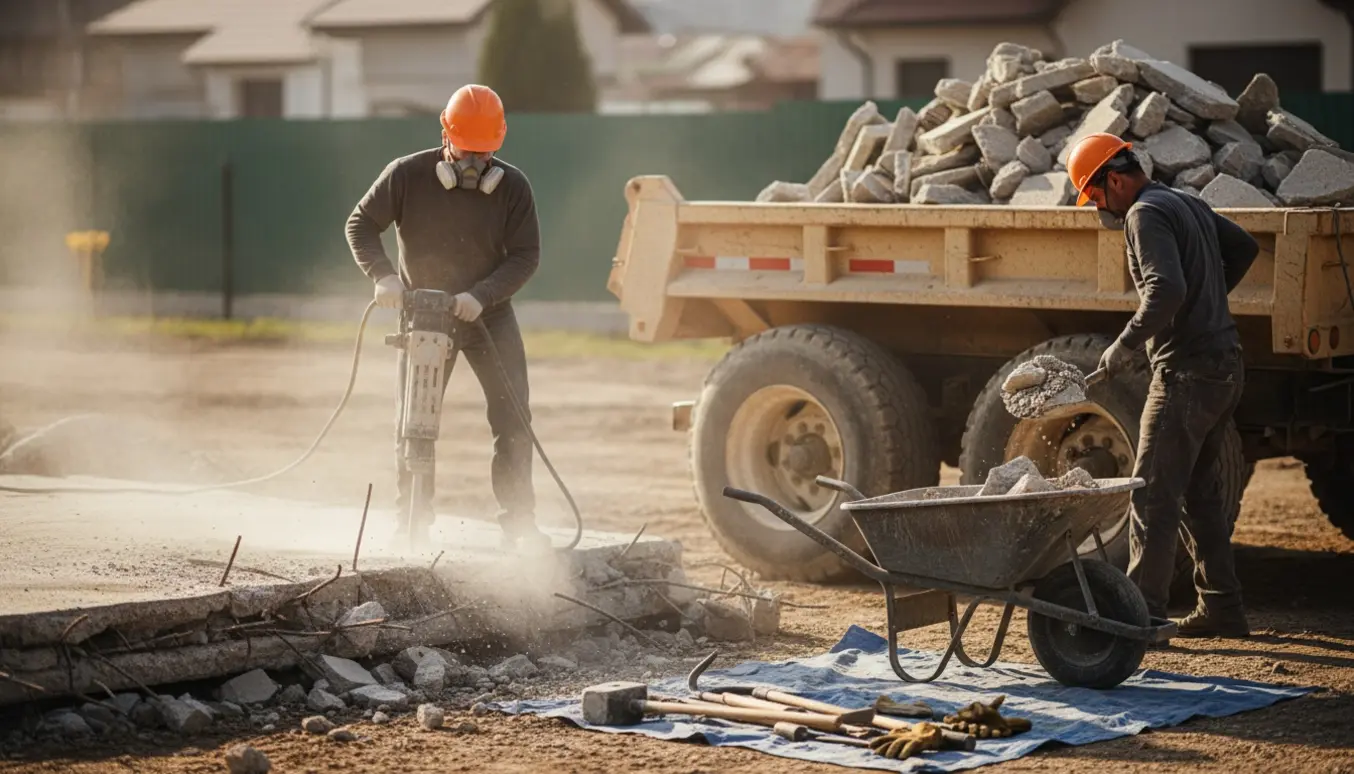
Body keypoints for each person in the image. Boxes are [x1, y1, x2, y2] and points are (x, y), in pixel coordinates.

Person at [1066, 132, 1259, 639]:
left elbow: (1165, 288)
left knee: (1151, 495)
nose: (1101, 210)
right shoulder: (1184, 202)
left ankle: (1137, 616)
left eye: (1097, 198)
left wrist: (1124, 344)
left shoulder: (1143, 214)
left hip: (1187, 373)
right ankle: (1223, 607)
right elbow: (1244, 246)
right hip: (1225, 365)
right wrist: (1208, 302)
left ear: (1113, 178)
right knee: (1199, 493)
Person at [344, 84, 548, 551]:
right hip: (426, 317)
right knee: (416, 422)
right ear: (445, 134)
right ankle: (411, 522)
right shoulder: (406, 176)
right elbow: (360, 224)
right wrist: (383, 277)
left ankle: (519, 524)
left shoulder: (513, 187)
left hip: (488, 318)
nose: (475, 166)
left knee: (513, 418)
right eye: (466, 153)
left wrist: (483, 294)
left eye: (485, 155)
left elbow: (525, 256)